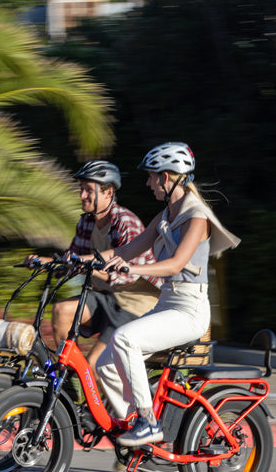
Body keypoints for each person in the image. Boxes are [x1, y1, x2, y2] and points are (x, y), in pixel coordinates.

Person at [95, 142, 241, 447]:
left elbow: (176, 264)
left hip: (189, 311)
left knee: (124, 339)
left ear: (166, 177)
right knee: (105, 365)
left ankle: (148, 422)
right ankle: (141, 434)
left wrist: (131, 269)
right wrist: (73, 260)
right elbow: (128, 249)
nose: (148, 183)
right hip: (167, 304)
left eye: (151, 177)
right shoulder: (166, 214)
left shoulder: (196, 216)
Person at [32, 160, 163, 368]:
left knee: (95, 363)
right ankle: (68, 378)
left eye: (88, 190)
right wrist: (44, 262)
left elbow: (126, 275)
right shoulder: (87, 222)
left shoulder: (124, 222)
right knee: (61, 310)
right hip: (107, 298)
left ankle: (93, 385)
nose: (82, 195)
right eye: (81, 189)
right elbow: (73, 259)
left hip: (136, 306)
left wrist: (87, 268)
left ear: (108, 193)